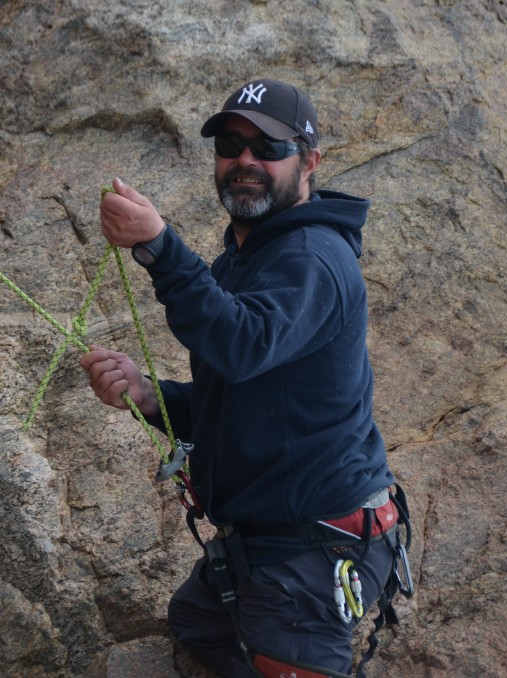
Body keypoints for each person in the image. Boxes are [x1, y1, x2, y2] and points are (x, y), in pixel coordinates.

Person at [80, 79, 407, 677]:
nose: (245, 161)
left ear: (309, 162)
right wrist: (150, 397)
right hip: (262, 544)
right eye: (231, 144)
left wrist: (159, 247)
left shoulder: (312, 258)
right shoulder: (245, 255)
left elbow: (240, 344)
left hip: (315, 544)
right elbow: (240, 397)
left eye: (269, 148)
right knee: (199, 624)